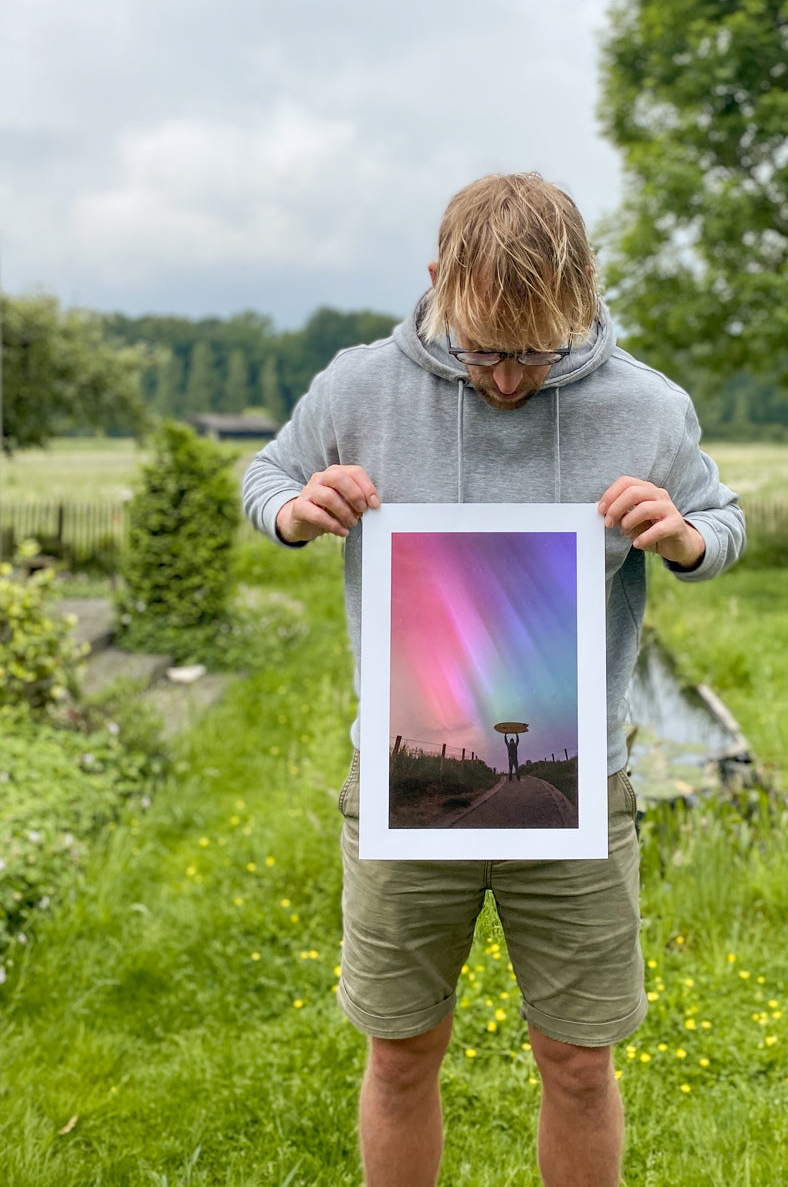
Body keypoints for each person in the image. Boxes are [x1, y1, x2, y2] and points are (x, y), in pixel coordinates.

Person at [242, 172, 745, 1187]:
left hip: (573, 793)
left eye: (534, 353)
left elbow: (723, 517)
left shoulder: (645, 405)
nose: (507, 380)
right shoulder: (356, 385)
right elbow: (267, 476)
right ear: (437, 284)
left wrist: (687, 538)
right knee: (398, 1054)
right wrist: (298, 512)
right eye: (481, 350)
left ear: (585, 298)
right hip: (403, 790)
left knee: (577, 1060)